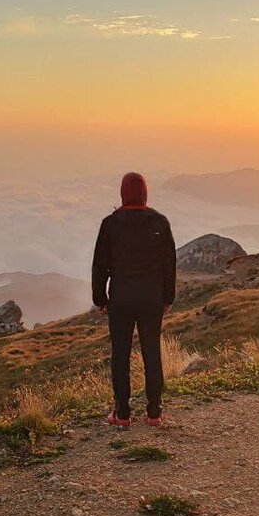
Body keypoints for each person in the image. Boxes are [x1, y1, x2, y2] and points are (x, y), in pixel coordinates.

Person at [91, 171, 176, 427]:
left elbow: (100, 265)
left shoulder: (110, 223)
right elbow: (169, 264)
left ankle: (122, 413)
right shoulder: (160, 222)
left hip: (121, 300)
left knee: (120, 354)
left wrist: (100, 298)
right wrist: (167, 297)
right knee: (152, 353)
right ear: (144, 192)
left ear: (123, 193)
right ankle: (154, 412)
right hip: (151, 299)